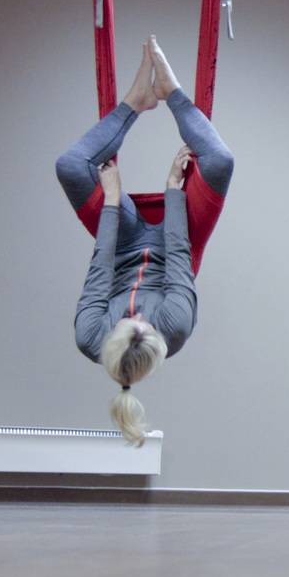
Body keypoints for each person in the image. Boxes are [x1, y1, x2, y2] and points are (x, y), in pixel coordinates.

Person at [54, 37, 235, 442]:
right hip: (179, 242)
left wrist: (114, 202)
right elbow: (177, 260)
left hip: (122, 241)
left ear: (111, 336)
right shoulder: (175, 326)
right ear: (157, 338)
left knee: (71, 166)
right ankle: (172, 95)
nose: (135, 315)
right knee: (221, 162)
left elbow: (100, 267)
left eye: (126, 321)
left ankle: (134, 102)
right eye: (143, 322)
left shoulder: (89, 336)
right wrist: (173, 187)